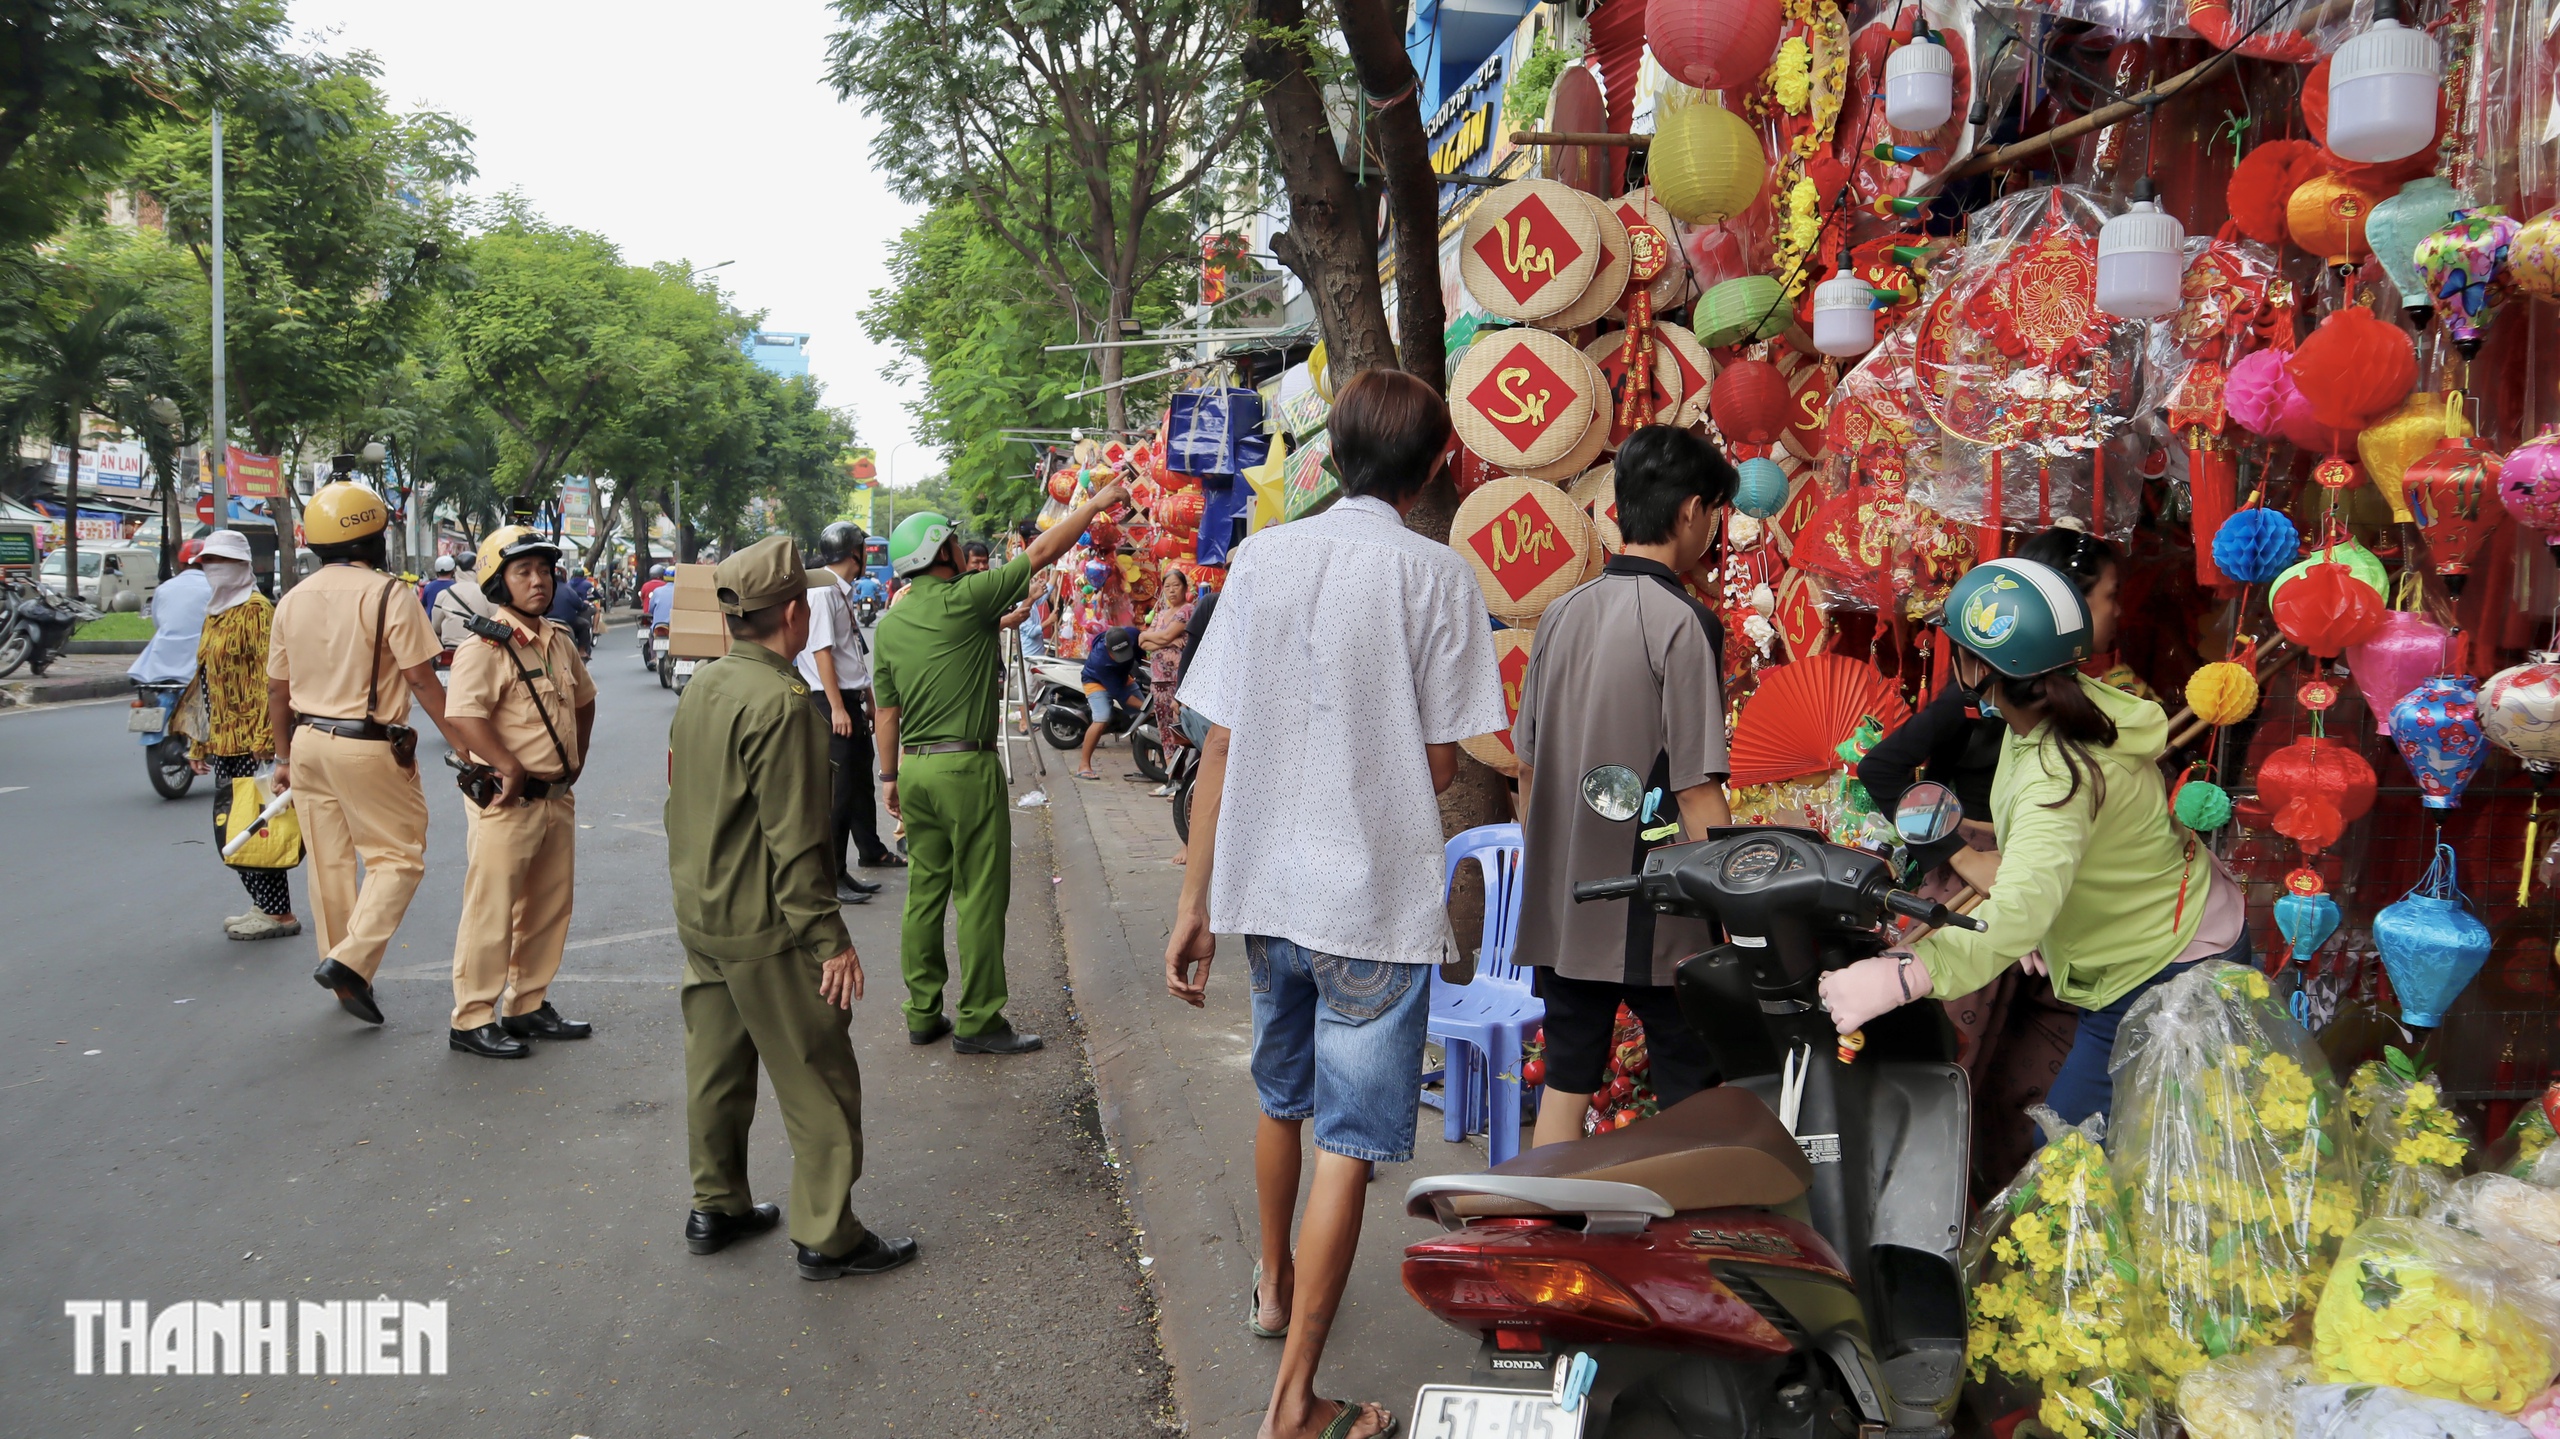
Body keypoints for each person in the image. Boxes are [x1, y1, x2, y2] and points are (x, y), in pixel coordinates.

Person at [1165, 368, 1507, 1439]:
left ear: (1337, 453)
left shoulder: (1262, 557)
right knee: (1347, 1145)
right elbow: (1443, 758)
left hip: (1265, 889)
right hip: (1371, 899)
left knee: (1280, 1101)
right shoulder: (1437, 576)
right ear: (1434, 466)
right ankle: (1294, 1401)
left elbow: (1219, 740)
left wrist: (1194, 900)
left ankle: (1272, 1290)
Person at [1817, 556, 2250, 1133]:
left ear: (1979, 666)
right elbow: (2076, 852)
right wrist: (2047, 906)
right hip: (2155, 937)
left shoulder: (2056, 776)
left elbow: (2019, 911)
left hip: (2166, 967)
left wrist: (1902, 975)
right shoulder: (2069, 713)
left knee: (2090, 1163)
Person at [665, 535, 919, 1281]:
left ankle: (716, 1204)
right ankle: (828, 1234)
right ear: (790, 614)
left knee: (716, 1066)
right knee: (818, 1075)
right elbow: (799, 841)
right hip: (767, 925)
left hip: (703, 912)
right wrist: (830, 940)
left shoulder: (706, 684)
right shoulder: (782, 703)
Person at [1512, 425, 1737, 1149]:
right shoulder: (1685, 622)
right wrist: (1738, 905)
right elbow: (1696, 793)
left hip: (1566, 906)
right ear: (1692, 511)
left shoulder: (1559, 613)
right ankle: (1686, 1221)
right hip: (1658, 911)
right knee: (1690, 1092)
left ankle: (1541, 1213)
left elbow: (1527, 768)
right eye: (1715, 514)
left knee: (1566, 1080)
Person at [872, 479, 1128, 1052]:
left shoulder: (891, 625)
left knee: (924, 893)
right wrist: (1093, 504)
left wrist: (889, 777)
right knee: (980, 897)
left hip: (914, 770)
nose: (961, 548)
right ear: (942, 552)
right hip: (965, 769)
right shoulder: (967, 596)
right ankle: (980, 1020)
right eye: (953, 542)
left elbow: (886, 713)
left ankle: (922, 1012)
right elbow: (1042, 551)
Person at [267, 476, 467, 1027]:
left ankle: (346, 976)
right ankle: (350, 961)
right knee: (397, 858)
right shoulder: (389, 594)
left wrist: (282, 759)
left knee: (329, 864)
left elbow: (278, 691)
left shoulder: (291, 599)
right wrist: (466, 747)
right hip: (366, 743)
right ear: (374, 539)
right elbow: (422, 682)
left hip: (307, 744)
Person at [1857, 521, 2125, 893]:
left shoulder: (2092, 690)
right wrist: (1963, 857)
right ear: (2069, 604)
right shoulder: (1983, 692)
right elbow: (1880, 768)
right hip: (1988, 869)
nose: (2118, 611)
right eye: (2111, 596)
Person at [440, 526, 599, 1059]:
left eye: (545, 571)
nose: (539, 581)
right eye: (524, 572)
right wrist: (505, 763)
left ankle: (527, 1004)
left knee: (549, 909)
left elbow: (585, 701)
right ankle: (471, 1018)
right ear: (498, 582)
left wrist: (576, 761)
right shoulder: (484, 647)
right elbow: (463, 715)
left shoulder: (559, 639)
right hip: (508, 802)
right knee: (491, 911)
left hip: (555, 797)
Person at [180, 531, 302, 941]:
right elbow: (206, 681)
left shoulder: (257, 612)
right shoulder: (215, 614)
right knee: (235, 826)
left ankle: (278, 913)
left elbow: (274, 680)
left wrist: (271, 742)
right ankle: (264, 904)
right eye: (206, 562)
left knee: (256, 825)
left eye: (222, 561)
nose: (213, 569)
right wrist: (199, 742)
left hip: (254, 742)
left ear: (244, 566)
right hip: (223, 739)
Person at [798, 521, 899, 903]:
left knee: (858, 781)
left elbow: (851, 651)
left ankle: (865, 852)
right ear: (855, 553)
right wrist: (839, 708)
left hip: (848, 699)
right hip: (830, 702)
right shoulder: (823, 592)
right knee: (838, 795)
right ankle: (832, 876)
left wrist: (867, 697)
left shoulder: (841, 590)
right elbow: (821, 651)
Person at [1140, 570, 1194, 768]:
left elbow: (1161, 636)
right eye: (1167, 586)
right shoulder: (1161, 614)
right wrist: (1168, 641)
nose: (1171, 590)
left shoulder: (1187, 610)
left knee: (1179, 728)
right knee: (1164, 729)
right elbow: (1143, 642)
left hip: (1177, 679)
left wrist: (1158, 638)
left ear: (1185, 588)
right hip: (1158, 680)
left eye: (1176, 586)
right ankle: (1170, 775)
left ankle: (1182, 774)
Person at [1074, 625, 1142, 781]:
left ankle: (1144, 767)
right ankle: (1083, 766)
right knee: (1102, 718)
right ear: (1107, 647)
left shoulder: (1132, 634)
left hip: (1122, 677)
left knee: (1143, 717)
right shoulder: (1100, 659)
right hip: (1096, 681)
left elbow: (1141, 655)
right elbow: (1121, 694)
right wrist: (1146, 707)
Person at [432, 565, 497, 652]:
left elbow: (435, 626)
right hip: (479, 647)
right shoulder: (486, 593)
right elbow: (496, 618)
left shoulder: (443, 594)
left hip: (451, 647)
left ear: (456, 572)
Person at [547, 562, 593, 659]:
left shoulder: (542, 589)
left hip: (544, 621)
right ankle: (581, 651)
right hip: (566, 622)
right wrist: (585, 604)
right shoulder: (568, 589)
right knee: (585, 625)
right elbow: (580, 605)